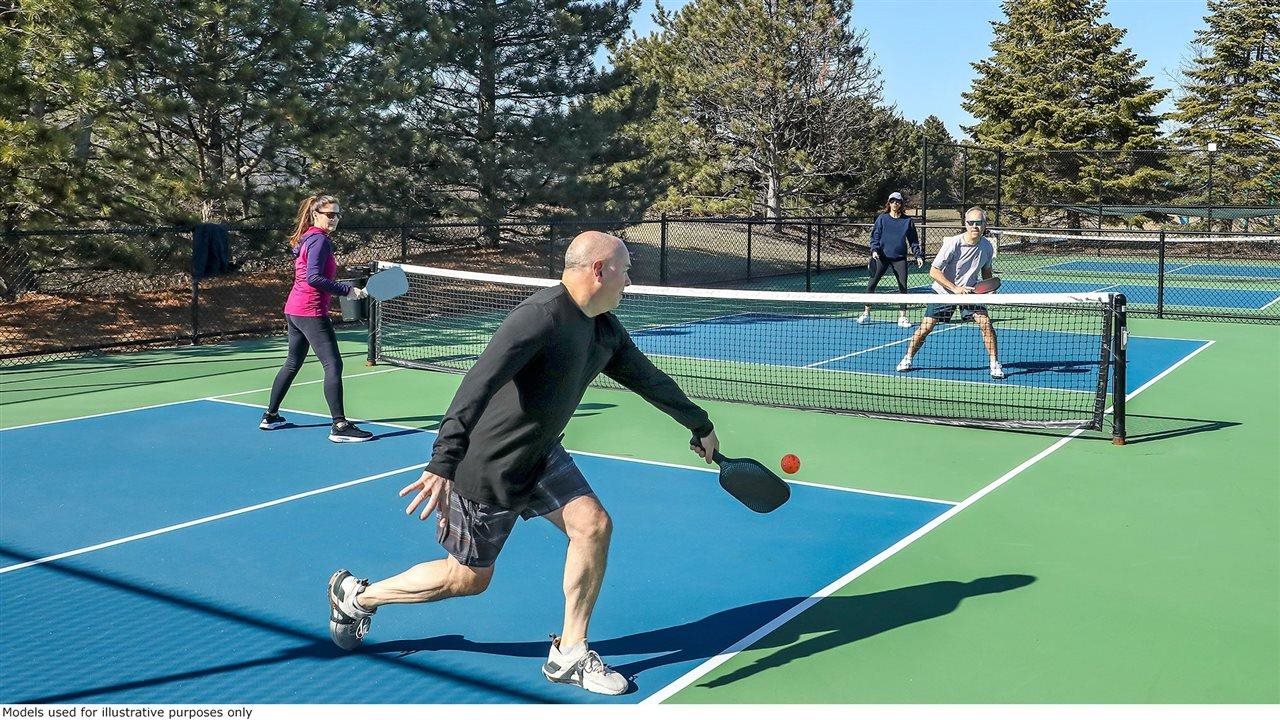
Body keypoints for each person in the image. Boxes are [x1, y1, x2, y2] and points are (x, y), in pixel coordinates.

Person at [325, 231, 721, 695]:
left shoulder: (603, 328)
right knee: (468, 578)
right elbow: (477, 385)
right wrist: (443, 461)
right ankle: (357, 597)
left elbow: (647, 379)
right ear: (599, 270)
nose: (630, 281)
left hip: (542, 453)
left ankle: (570, 653)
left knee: (592, 525)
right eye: (626, 269)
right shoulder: (538, 319)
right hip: (491, 463)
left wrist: (699, 423)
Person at [260, 194, 374, 442]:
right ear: (315, 215)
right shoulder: (319, 241)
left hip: (294, 309)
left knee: (292, 362)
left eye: (337, 214)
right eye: (329, 214)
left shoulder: (308, 238)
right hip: (310, 311)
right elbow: (313, 278)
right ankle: (340, 425)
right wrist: (347, 290)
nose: (334, 219)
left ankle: (270, 416)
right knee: (333, 364)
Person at [896, 206, 1006, 379]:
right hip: (944, 292)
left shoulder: (987, 246)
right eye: (971, 223)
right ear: (965, 223)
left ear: (985, 224)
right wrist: (955, 289)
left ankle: (994, 364)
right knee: (926, 328)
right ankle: (907, 358)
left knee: (985, 324)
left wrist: (988, 288)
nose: (974, 226)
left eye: (979, 223)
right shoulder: (953, 243)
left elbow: (986, 271)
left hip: (970, 293)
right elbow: (934, 271)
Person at [858, 191, 923, 328]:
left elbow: (913, 241)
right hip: (882, 257)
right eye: (892, 201)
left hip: (899, 259)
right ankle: (866, 313)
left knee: (903, 286)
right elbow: (875, 237)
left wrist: (918, 255)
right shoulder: (882, 218)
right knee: (871, 284)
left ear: (901, 204)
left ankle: (903, 317)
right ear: (889, 203)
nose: (895, 203)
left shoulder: (907, 221)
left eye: (898, 201)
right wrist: (874, 250)